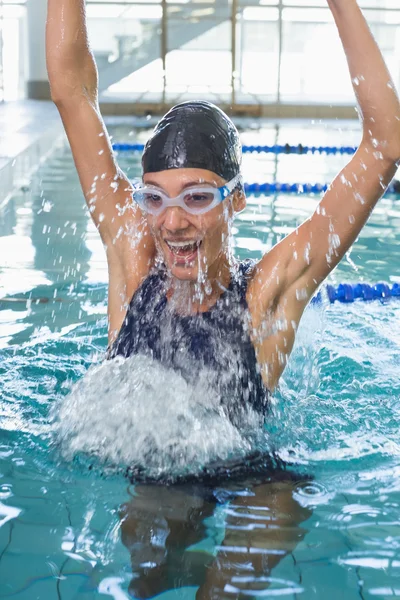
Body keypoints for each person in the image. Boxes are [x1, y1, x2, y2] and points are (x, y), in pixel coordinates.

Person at [46, 0, 400, 596]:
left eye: (197, 198)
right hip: (158, 476)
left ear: (236, 201)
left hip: (259, 479)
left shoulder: (265, 295)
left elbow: (386, 143)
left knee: (222, 590)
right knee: (145, 583)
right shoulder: (134, 266)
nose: (172, 222)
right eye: (155, 198)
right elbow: (71, 91)